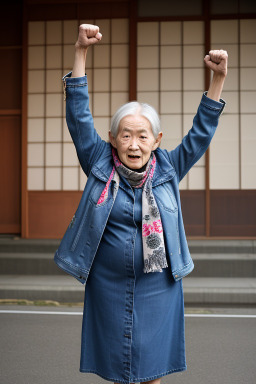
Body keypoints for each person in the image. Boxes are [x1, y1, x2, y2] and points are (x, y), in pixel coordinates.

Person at [54, 24, 228, 384]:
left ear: (156, 139)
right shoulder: (99, 161)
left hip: (158, 286)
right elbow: (79, 116)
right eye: (126, 135)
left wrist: (218, 80)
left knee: (151, 370)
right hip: (108, 282)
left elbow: (200, 133)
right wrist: (81, 52)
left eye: (142, 135)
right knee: (118, 369)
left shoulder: (168, 166)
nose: (134, 144)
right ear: (113, 139)